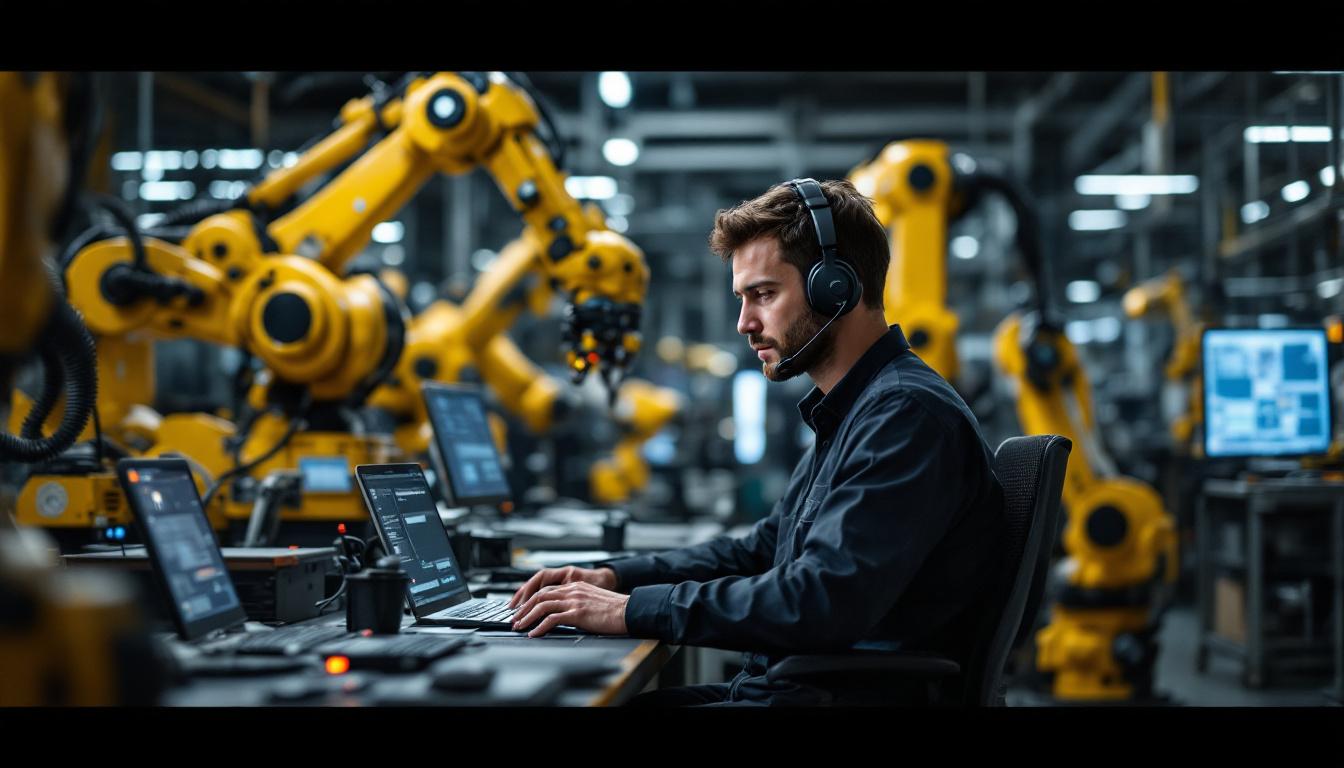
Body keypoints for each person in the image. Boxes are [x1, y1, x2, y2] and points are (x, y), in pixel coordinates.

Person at [508, 179, 1006, 705]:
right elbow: (762, 551)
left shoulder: (904, 415)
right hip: (795, 689)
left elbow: (820, 600)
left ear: (837, 287)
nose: (745, 323)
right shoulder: (854, 412)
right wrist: (614, 578)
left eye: (764, 294)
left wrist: (633, 610)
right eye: (743, 298)